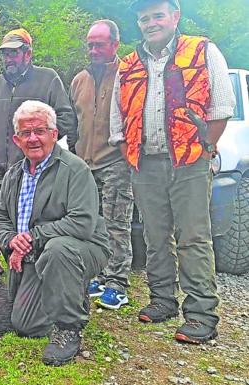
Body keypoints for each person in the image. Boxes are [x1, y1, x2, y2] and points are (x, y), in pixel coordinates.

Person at [110, 0, 235, 343]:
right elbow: (117, 119)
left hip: (189, 162)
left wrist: (204, 149)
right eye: (144, 18)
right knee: (154, 236)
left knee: (193, 238)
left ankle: (201, 314)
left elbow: (221, 107)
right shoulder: (129, 64)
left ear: (175, 16)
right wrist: (129, 154)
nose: (151, 23)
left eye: (157, 15)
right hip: (145, 164)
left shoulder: (202, 50)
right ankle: (163, 300)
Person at [0, 100, 110, 366]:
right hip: (34, 254)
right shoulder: (14, 175)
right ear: (16, 139)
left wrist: (31, 237)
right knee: (24, 324)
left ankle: (69, 326)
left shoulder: (75, 169)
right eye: (25, 133)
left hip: (82, 248)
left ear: (54, 134)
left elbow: (82, 223)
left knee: (58, 250)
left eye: (40, 131)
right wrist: (12, 240)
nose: (33, 138)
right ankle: (66, 292)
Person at [70, 19, 134, 310]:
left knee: (116, 222)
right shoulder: (79, 79)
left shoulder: (129, 76)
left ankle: (117, 282)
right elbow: (73, 122)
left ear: (115, 45)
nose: (93, 50)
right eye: (90, 44)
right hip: (85, 164)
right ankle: (97, 274)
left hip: (115, 162)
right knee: (91, 224)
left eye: (99, 44)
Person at [0, 28, 76, 201]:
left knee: (29, 225)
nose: (8, 59)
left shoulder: (48, 79)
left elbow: (66, 118)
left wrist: (39, 143)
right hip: (0, 175)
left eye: (13, 53)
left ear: (28, 54)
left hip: (37, 174)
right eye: (5, 54)